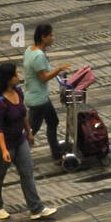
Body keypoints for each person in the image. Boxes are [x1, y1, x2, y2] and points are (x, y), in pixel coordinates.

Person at [0, 61, 57, 220]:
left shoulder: (18, 92)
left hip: (19, 139)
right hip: (0, 145)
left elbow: (23, 114)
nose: (18, 77)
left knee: (27, 172)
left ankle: (36, 208)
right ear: (8, 79)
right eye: (15, 75)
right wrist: (4, 150)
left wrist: (29, 133)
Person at [22, 24, 69, 162]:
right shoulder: (38, 56)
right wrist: (59, 69)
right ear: (43, 37)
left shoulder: (30, 50)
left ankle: (56, 153)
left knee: (53, 121)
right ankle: (19, 156)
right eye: (50, 35)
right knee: (31, 131)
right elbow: (43, 78)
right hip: (38, 100)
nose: (52, 38)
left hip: (39, 96)